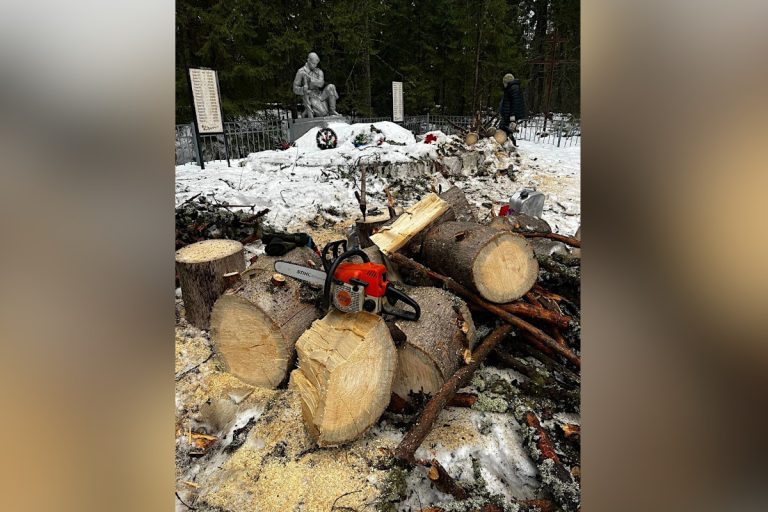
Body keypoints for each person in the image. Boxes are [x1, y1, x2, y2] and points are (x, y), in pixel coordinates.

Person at [292, 52, 340, 118]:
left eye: (316, 64)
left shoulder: (318, 71)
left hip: (320, 95)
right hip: (310, 96)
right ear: (308, 60)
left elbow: (321, 83)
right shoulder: (301, 72)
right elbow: (295, 88)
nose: (314, 65)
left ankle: (332, 110)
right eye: (313, 63)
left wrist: (310, 78)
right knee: (323, 113)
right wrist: (304, 90)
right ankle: (307, 111)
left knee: (331, 87)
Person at [498, 73, 526, 140]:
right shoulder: (512, 88)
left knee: (505, 130)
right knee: (505, 130)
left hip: (510, 116)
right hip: (508, 115)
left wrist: (512, 117)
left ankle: (510, 145)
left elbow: (515, 104)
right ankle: (507, 144)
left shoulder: (513, 89)